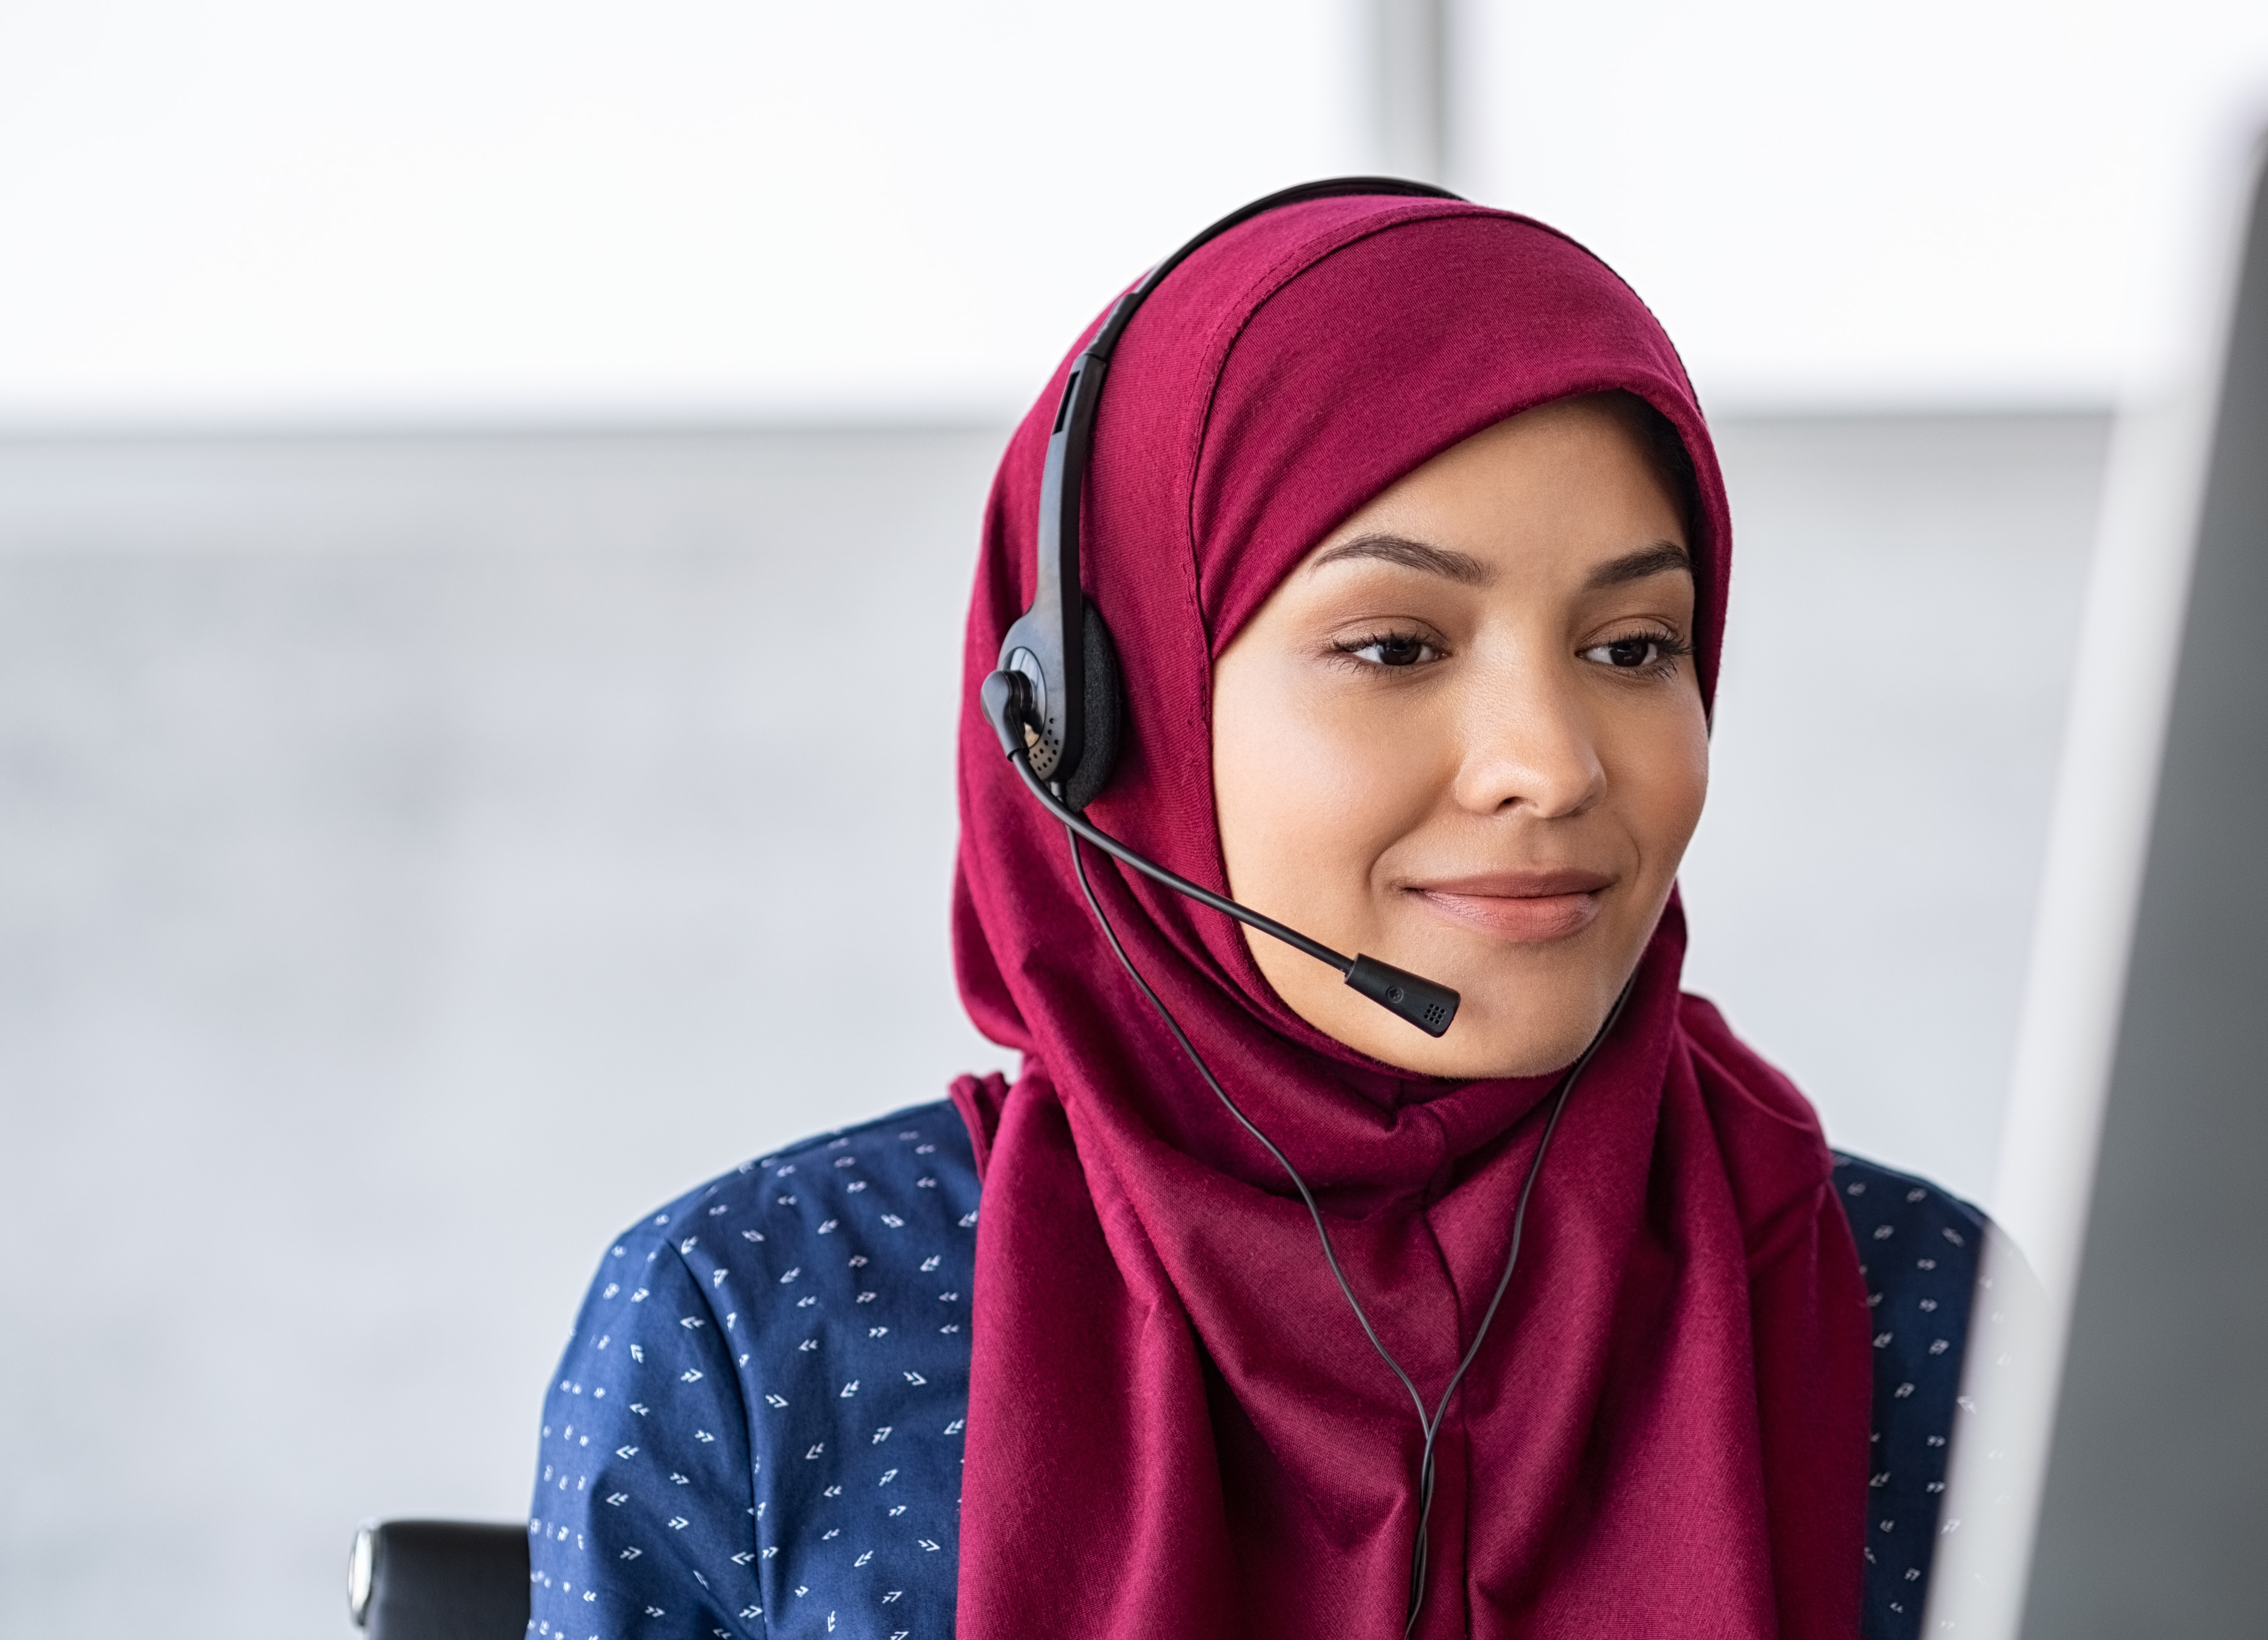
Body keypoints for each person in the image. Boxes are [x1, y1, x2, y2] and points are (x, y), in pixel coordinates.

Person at [526, 186, 1989, 1640]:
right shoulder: (764, 1324)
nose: (1550, 764)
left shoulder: (1931, 1314)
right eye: (1393, 645)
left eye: (1631, 644)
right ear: (1101, 720)